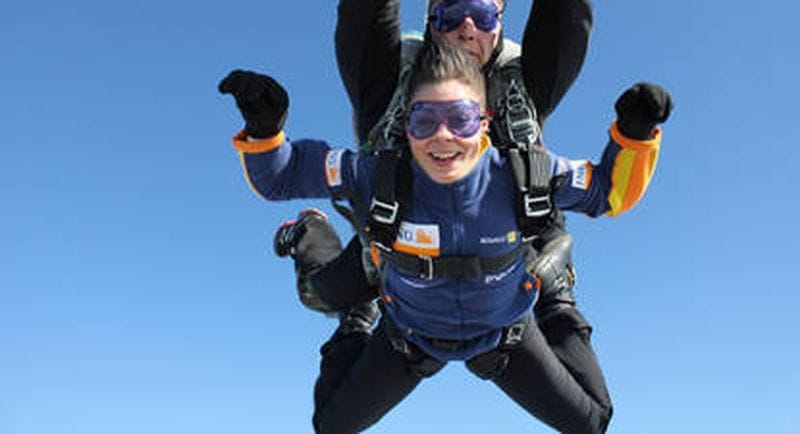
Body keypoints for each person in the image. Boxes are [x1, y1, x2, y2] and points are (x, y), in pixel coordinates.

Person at [219, 40, 672, 433]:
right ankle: (356, 315)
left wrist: (633, 135)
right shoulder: (376, 174)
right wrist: (266, 132)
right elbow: (282, 177)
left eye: (460, 119)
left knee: (592, 421)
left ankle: (556, 301)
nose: (442, 137)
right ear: (407, 125)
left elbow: (609, 193)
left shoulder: (526, 173)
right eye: (424, 121)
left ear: (484, 122)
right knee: (331, 425)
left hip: (503, 335)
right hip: (411, 337)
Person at [279, 0, 612, 424]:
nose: (467, 29)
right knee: (316, 294)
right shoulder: (389, 78)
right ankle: (339, 282)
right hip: (396, 253)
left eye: (482, 14)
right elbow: (365, 16)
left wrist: (556, 306)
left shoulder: (525, 81)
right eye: (451, 14)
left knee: (588, 417)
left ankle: (556, 297)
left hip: (505, 255)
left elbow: (567, 19)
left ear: (500, 22)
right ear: (430, 23)